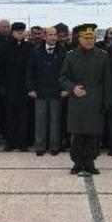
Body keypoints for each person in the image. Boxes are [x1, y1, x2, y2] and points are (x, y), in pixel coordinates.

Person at [59, 23, 112, 175]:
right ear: (79, 38)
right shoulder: (70, 56)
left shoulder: (102, 55)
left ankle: (90, 162)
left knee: (93, 134)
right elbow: (63, 77)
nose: (89, 41)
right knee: (77, 133)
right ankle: (77, 162)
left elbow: (107, 80)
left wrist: (107, 101)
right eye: (86, 38)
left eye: (92, 38)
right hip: (78, 100)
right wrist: (72, 88)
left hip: (96, 99)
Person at [27, 27, 68, 156]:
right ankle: (40, 146)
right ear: (44, 36)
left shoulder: (63, 51)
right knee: (40, 119)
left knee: (55, 120)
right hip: (40, 90)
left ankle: (54, 146)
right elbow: (30, 71)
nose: (52, 37)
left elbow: (67, 72)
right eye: (50, 35)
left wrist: (65, 89)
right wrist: (31, 88)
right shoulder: (36, 51)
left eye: (54, 35)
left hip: (57, 91)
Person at [2, 22, 33, 151]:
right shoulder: (6, 47)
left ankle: (22, 142)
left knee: (23, 117)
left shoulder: (30, 47)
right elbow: (1, 68)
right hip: (9, 88)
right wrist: (2, 86)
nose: (20, 32)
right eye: (17, 30)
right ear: (12, 32)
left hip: (24, 88)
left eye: (22, 30)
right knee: (9, 117)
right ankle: (10, 142)